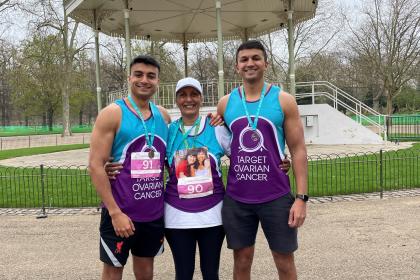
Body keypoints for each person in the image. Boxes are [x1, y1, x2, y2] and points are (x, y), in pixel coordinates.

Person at [217, 40, 308, 280]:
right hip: (238, 197)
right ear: (237, 66)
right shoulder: (225, 103)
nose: (250, 63)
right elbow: (218, 141)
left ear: (266, 63)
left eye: (256, 58)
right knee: (242, 261)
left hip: (275, 196)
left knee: (284, 261)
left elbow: (298, 149)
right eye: (244, 59)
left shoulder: (283, 100)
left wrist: (301, 198)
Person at [89, 55, 171, 280]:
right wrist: (115, 213)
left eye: (151, 76)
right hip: (121, 213)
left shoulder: (163, 116)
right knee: (113, 271)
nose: (144, 80)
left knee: (146, 271)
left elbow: (171, 158)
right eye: (139, 74)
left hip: (153, 214)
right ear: (129, 77)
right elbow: (95, 165)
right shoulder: (112, 113)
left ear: (157, 81)